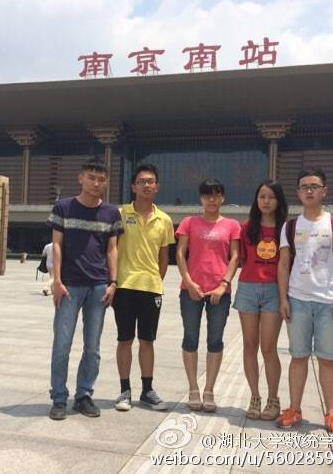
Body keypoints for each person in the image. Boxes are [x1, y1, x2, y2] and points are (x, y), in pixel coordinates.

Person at [276, 168, 333, 434]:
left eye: (314, 186)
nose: (309, 191)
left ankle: (332, 413)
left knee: (327, 359)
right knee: (298, 357)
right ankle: (294, 409)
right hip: (297, 299)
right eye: (304, 187)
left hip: (328, 302)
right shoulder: (290, 226)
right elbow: (283, 264)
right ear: (298, 192)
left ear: (324, 191)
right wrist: (283, 299)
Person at [47, 159, 123, 421]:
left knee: (93, 347)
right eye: (91, 177)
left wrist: (113, 283)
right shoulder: (64, 207)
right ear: (80, 178)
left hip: (98, 286)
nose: (96, 183)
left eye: (101, 179)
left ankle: (83, 395)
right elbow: (57, 245)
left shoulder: (111, 213)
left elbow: (112, 249)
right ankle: (59, 398)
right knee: (62, 345)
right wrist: (57, 281)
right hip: (69, 285)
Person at [113, 163, 175, 412]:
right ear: (133, 186)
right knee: (125, 339)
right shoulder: (120, 214)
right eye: (141, 181)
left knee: (147, 340)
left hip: (151, 288)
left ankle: (147, 390)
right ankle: (124, 390)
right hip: (124, 286)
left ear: (157, 186)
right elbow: (112, 249)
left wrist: (156, 280)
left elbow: (164, 257)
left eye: (150, 181)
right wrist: (113, 280)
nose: (146, 185)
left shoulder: (165, 220)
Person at [176, 179, 240, 412]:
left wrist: (224, 285)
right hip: (191, 290)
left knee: (215, 340)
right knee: (190, 338)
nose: (212, 200)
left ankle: (209, 389)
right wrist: (189, 283)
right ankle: (193, 388)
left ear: (223, 197)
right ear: (201, 198)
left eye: (216, 195)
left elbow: (235, 257)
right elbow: (180, 254)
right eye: (207, 195)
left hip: (219, 292)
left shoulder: (232, 225)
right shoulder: (189, 222)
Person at [233, 180, 288, 421]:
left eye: (271, 197)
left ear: (279, 201)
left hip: (274, 291)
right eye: (262, 196)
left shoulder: (286, 229)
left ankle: (273, 399)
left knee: (268, 347)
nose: (266, 201)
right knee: (249, 345)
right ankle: (254, 397)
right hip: (248, 288)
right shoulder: (247, 227)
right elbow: (242, 259)